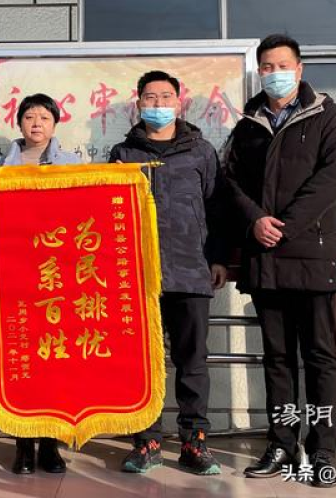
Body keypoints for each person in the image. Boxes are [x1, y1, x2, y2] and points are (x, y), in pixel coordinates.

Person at [225, 34, 336, 488]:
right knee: (276, 358)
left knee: (321, 357)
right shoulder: (248, 125)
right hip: (265, 259)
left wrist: (285, 224)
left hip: (312, 254)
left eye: (281, 65)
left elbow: (330, 178)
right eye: (266, 67)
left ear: (300, 69)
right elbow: (229, 182)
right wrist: (255, 221)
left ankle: (325, 445)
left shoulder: (327, 116)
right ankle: (282, 442)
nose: (274, 73)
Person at [109, 70, 227, 475]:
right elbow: (109, 216)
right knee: (142, 362)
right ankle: (147, 441)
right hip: (138, 277)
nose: (158, 104)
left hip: (192, 271)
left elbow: (216, 208)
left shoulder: (201, 151)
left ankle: (195, 442)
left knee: (193, 361)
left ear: (180, 101)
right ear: (137, 102)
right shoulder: (123, 154)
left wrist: (218, 257)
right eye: (150, 97)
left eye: (165, 97)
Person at [0, 93, 80, 474]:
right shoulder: (2, 167)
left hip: (59, 278)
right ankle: (22, 445)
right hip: (17, 276)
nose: (36, 124)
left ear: (54, 124)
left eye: (43, 117)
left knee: (56, 362)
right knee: (21, 362)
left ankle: (51, 445)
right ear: (20, 123)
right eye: (29, 117)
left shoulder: (74, 165)